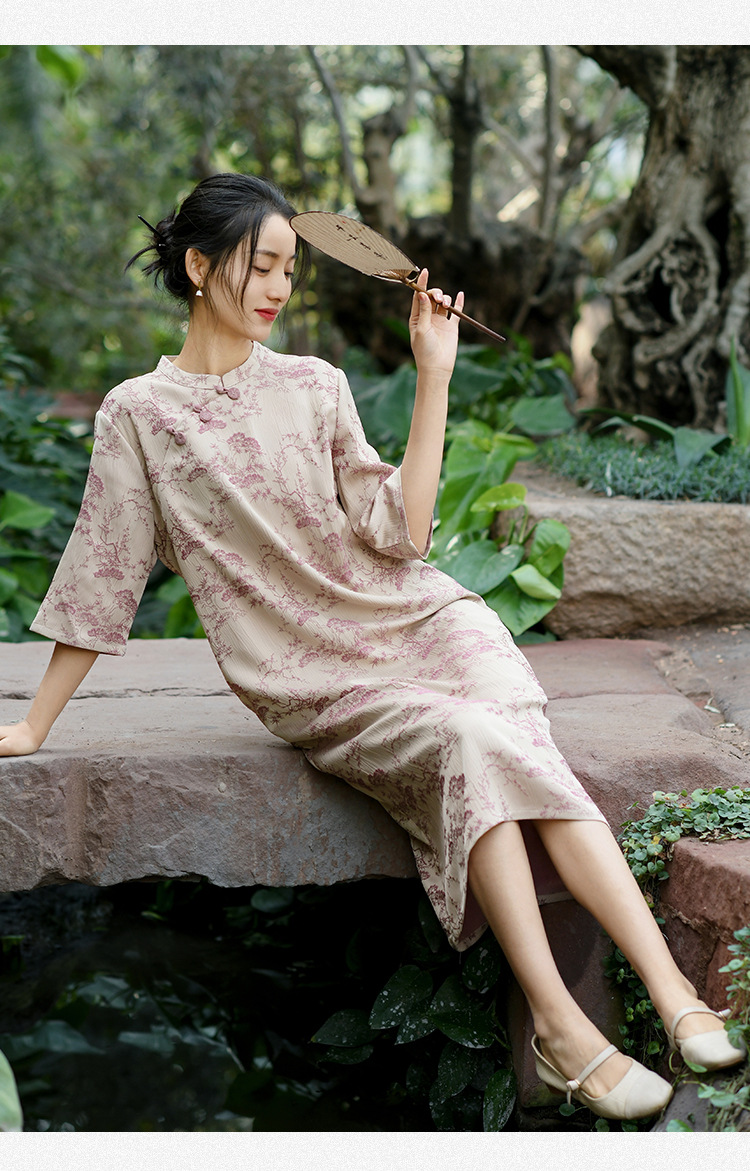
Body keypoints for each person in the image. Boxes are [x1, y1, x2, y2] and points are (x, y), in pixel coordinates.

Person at [0, 173, 744, 1121]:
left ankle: (675, 999)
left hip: (422, 621)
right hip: (308, 674)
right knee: (475, 740)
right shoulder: (139, 413)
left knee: (502, 735)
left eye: (290, 269)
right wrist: (36, 723)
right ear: (197, 267)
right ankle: (560, 1026)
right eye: (262, 266)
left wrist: (434, 373)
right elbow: (102, 571)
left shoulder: (316, 385)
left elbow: (404, 533)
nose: (280, 288)